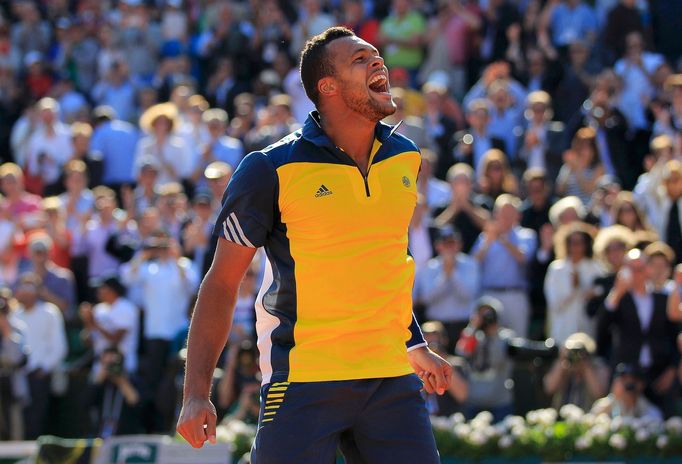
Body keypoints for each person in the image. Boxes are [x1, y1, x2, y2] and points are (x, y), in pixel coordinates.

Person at [177, 27, 452, 463]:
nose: (378, 63)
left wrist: (413, 344)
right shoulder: (268, 169)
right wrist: (196, 394)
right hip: (303, 380)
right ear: (328, 86)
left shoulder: (407, 157)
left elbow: (384, 263)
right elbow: (222, 283)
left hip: (391, 379)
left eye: (376, 56)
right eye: (361, 60)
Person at [603, 248, 678, 416]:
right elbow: (602, 327)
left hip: (658, 374)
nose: (637, 274)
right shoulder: (620, 298)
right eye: (632, 269)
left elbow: (674, 336)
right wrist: (617, 292)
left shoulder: (663, 298)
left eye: (641, 268)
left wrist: (672, 369)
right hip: (627, 373)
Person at [10, 272, 67, 440]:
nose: (26, 291)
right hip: (17, 375)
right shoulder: (13, 314)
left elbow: (59, 346)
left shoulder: (49, 312)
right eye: (23, 287)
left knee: (38, 420)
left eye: (30, 287)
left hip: (39, 374)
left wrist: (45, 368)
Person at [472, 194, 537, 337]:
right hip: (490, 294)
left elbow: (523, 258)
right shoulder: (485, 237)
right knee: (488, 338)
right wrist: (488, 241)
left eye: (509, 213)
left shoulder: (526, 235)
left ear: (517, 215)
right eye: (502, 213)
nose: (505, 217)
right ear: (495, 214)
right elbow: (474, 262)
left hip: (515, 295)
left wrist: (502, 239)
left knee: (517, 340)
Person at [414, 225, 480, 350]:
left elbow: (468, 296)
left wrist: (453, 274)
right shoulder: (429, 267)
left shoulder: (470, 265)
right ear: (438, 246)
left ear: (459, 244)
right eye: (445, 244)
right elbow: (427, 298)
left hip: (463, 325)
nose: (449, 248)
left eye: (452, 243)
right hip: (436, 327)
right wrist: (445, 275)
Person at [544, 222, 603, 343]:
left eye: (580, 242)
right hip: (563, 327)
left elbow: (604, 290)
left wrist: (592, 293)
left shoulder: (596, 268)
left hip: (587, 327)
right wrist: (574, 290)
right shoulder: (556, 269)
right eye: (572, 242)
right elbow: (554, 304)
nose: (576, 246)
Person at [543, 332, 609, 411]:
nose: (575, 355)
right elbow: (549, 388)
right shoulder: (563, 365)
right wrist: (562, 360)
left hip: (588, 419)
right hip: (562, 419)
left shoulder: (597, 366)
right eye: (572, 351)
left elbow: (599, 393)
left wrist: (586, 367)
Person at [0, 287, 27, 441]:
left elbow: (16, 358)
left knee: (15, 431)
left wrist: (7, 333)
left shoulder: (17, 328)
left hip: (12, 387)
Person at [591, 363, 662, 421]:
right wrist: (614, 396)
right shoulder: (604, 405)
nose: (628, 384)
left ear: (641, 384)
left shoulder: (650, 410)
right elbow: (594, 420)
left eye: (633, 381)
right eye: (623, 380)